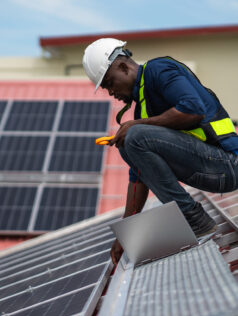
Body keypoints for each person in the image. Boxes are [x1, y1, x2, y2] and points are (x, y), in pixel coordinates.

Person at [82, 38, 238, 265]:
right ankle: (192, 218)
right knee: (128, 140)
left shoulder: (159, 70)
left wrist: (137, 126)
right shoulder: (143, 108)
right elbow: (139, 176)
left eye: (109, 83)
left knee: (133, 135)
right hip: (212, 169)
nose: (111, 92)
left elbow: (193, 110)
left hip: (228, 163)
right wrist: (126, 234)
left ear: (123, 67)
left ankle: (194, 220)